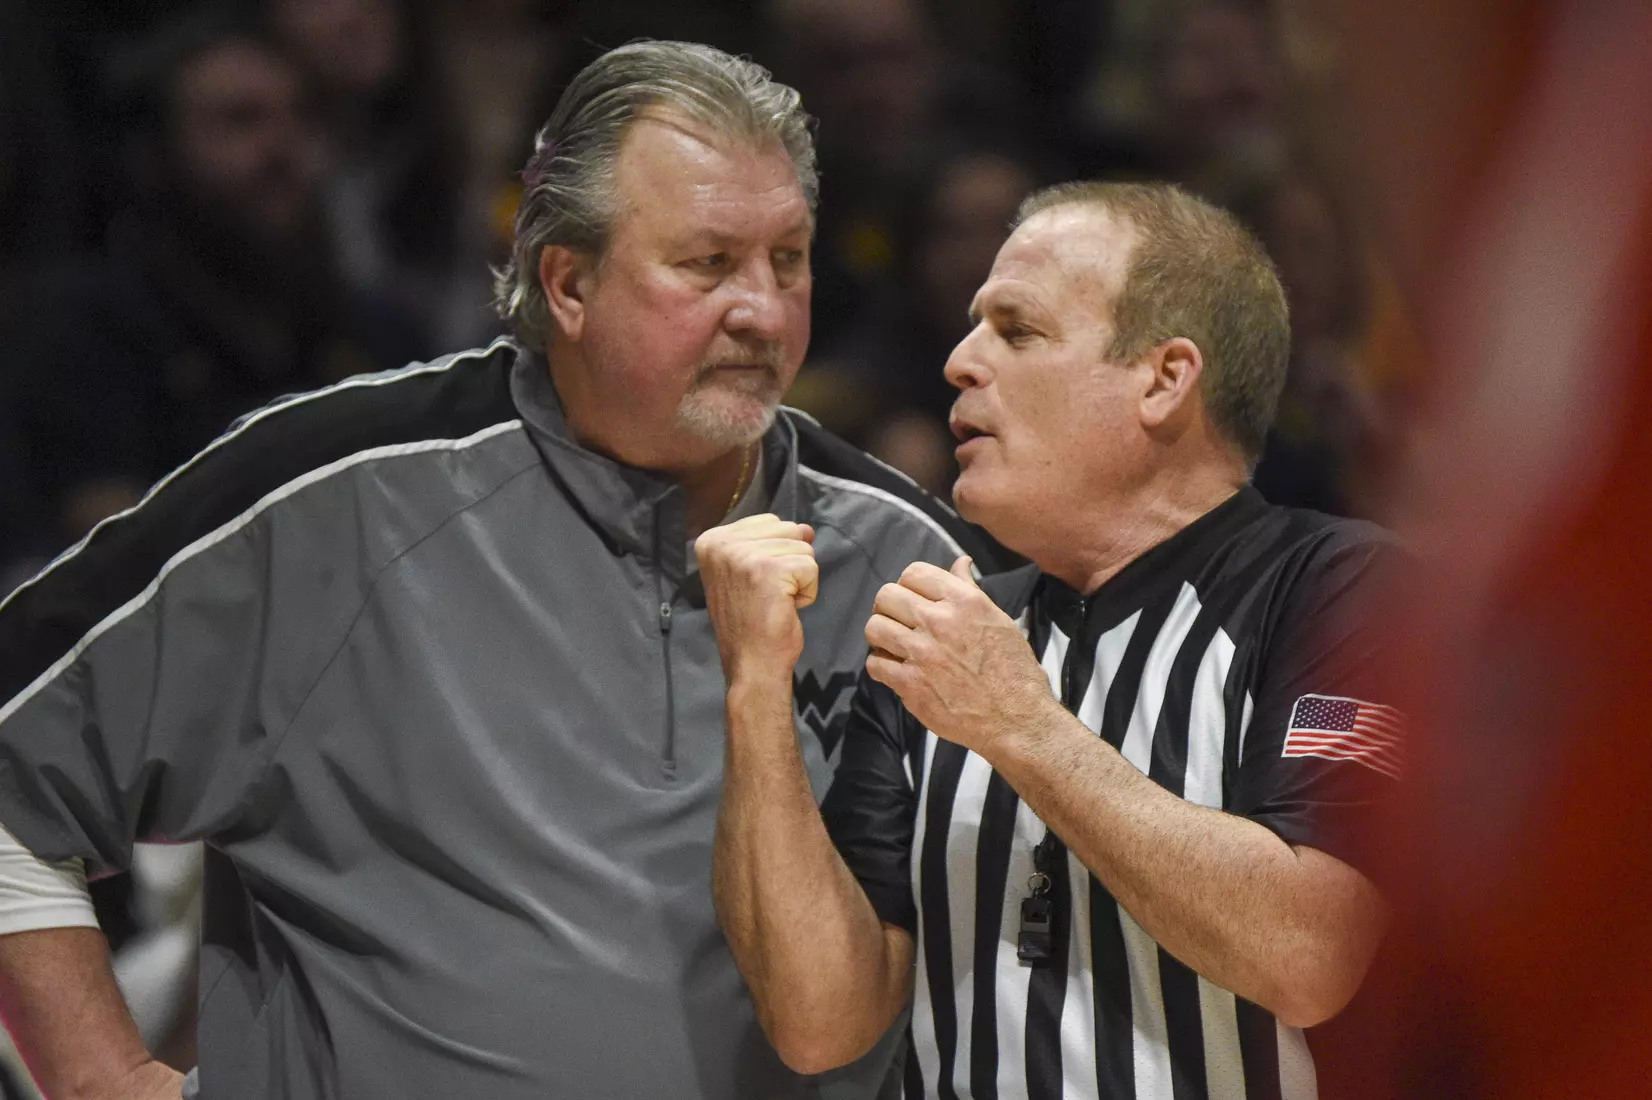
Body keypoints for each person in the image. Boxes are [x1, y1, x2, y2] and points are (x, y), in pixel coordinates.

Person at [0, 40, 997, 1100]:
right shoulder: (327, 500)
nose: (761, 308)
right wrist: (108, 1081)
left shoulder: (909, 564)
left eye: (786, 259)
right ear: (567, 281)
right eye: (707, 264)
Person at [698, 181, 1401, 1097]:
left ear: (1164, 378)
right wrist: (755, 685)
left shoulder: (1350, 594)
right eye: (970, 327)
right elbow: (820, 1023)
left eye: (1017, 330)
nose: (959, 361)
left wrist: (1022, 726)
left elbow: (1312, 954)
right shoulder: (939, 634)